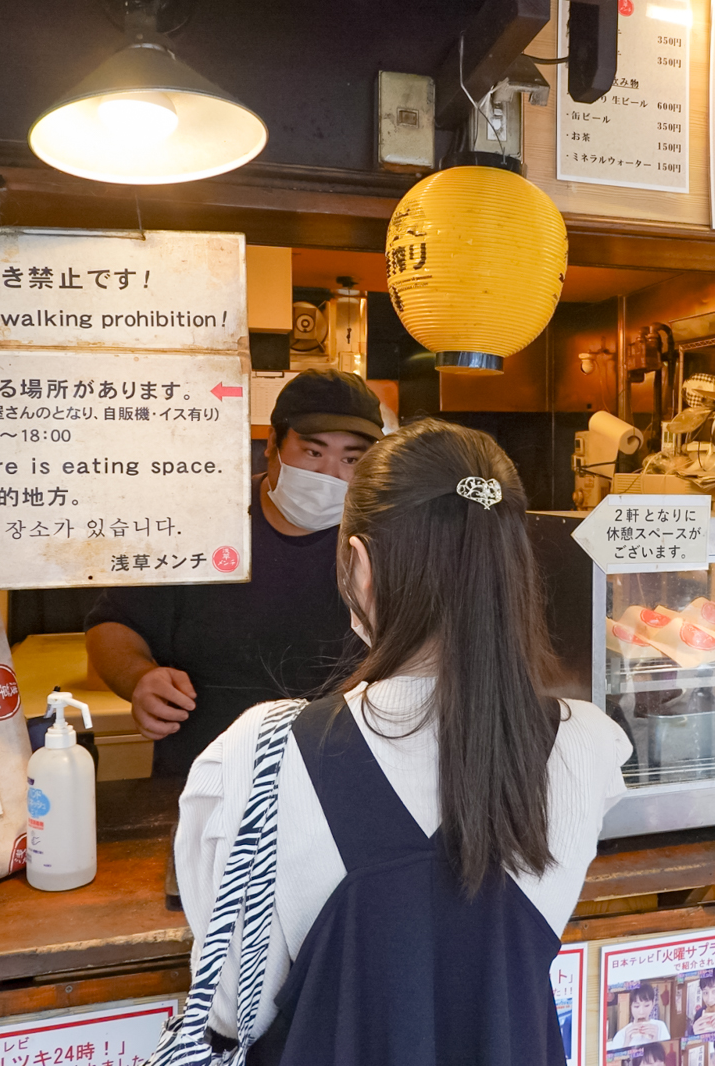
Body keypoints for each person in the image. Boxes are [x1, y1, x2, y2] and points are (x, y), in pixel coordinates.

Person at [171, 419, 633, 1065]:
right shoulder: (589, 744)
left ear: (359, 564)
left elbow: (228, 1010)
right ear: (511, 565)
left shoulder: (260, 752)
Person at [85, 370, 383, 777]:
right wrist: (140, 679)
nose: (331, 474)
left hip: (339, 780)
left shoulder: (382, 542)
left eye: (351, 459)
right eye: (313, 453)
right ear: (272, 445)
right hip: (204, 781)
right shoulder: (200, 520)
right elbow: (114, 624)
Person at [606, 984, 672, 1049]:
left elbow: (664, 1057)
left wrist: (655, 1041)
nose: (641, 1012)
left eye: (646, 1005)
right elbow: (616, 1059)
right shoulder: (622, 1034)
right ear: (630, 1006)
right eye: (636, 1006)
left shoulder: (660, 1027)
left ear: (653, 1003)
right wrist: (626, 1042)